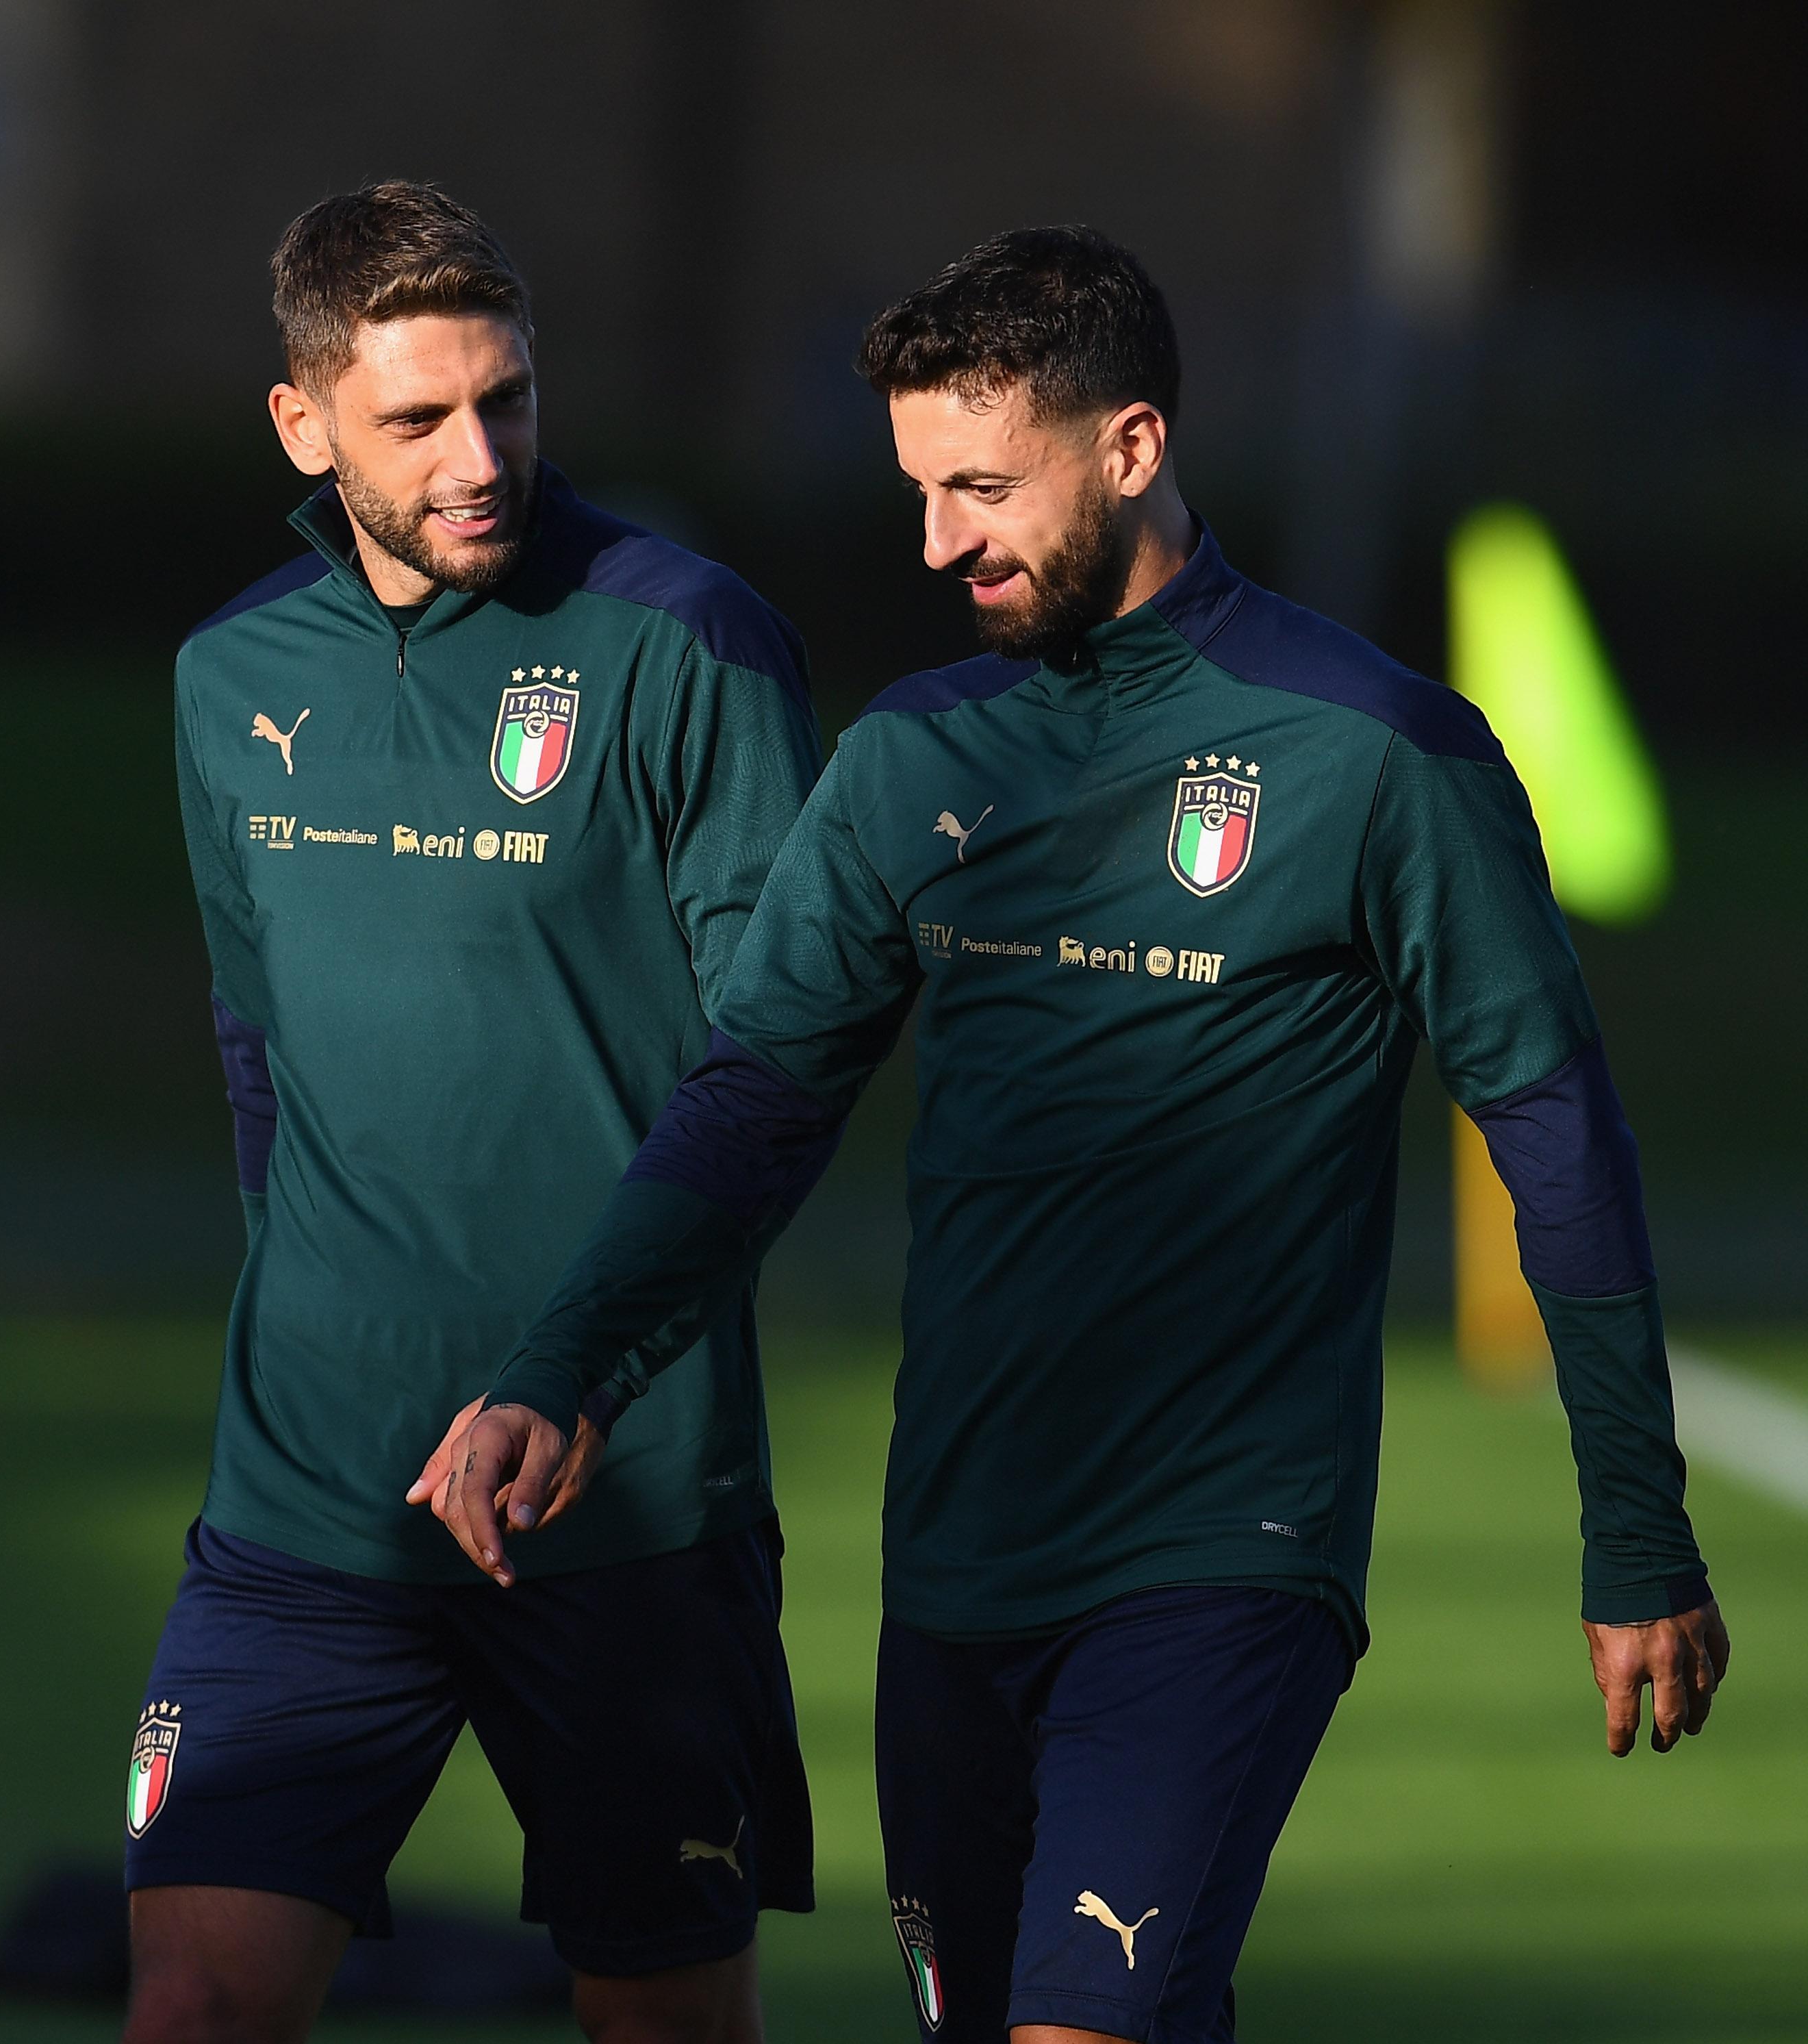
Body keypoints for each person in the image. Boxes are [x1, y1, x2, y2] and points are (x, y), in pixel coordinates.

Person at [426, 227, 1729, 2044]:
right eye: (919, 492)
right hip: (954, 1555)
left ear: (1130, 447)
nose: (941, 539)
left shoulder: (1375, 754)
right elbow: (754, 1107)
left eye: (980, 485)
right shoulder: (909, 760)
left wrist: (1636, 1529)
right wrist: (560, 1369)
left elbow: (1557, 1129)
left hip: (1224, 1542)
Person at [125, 181, 824, 2044]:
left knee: (663, 2021)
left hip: (626, 1507)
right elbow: (257, 1045)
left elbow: (785, 1064)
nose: (479, 455)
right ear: (303, 425)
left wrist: (578, 1366)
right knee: (191, 2002)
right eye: (418, 418)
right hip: (308, 1504)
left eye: (505, 400)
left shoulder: (689, 644)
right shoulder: (230, 680)